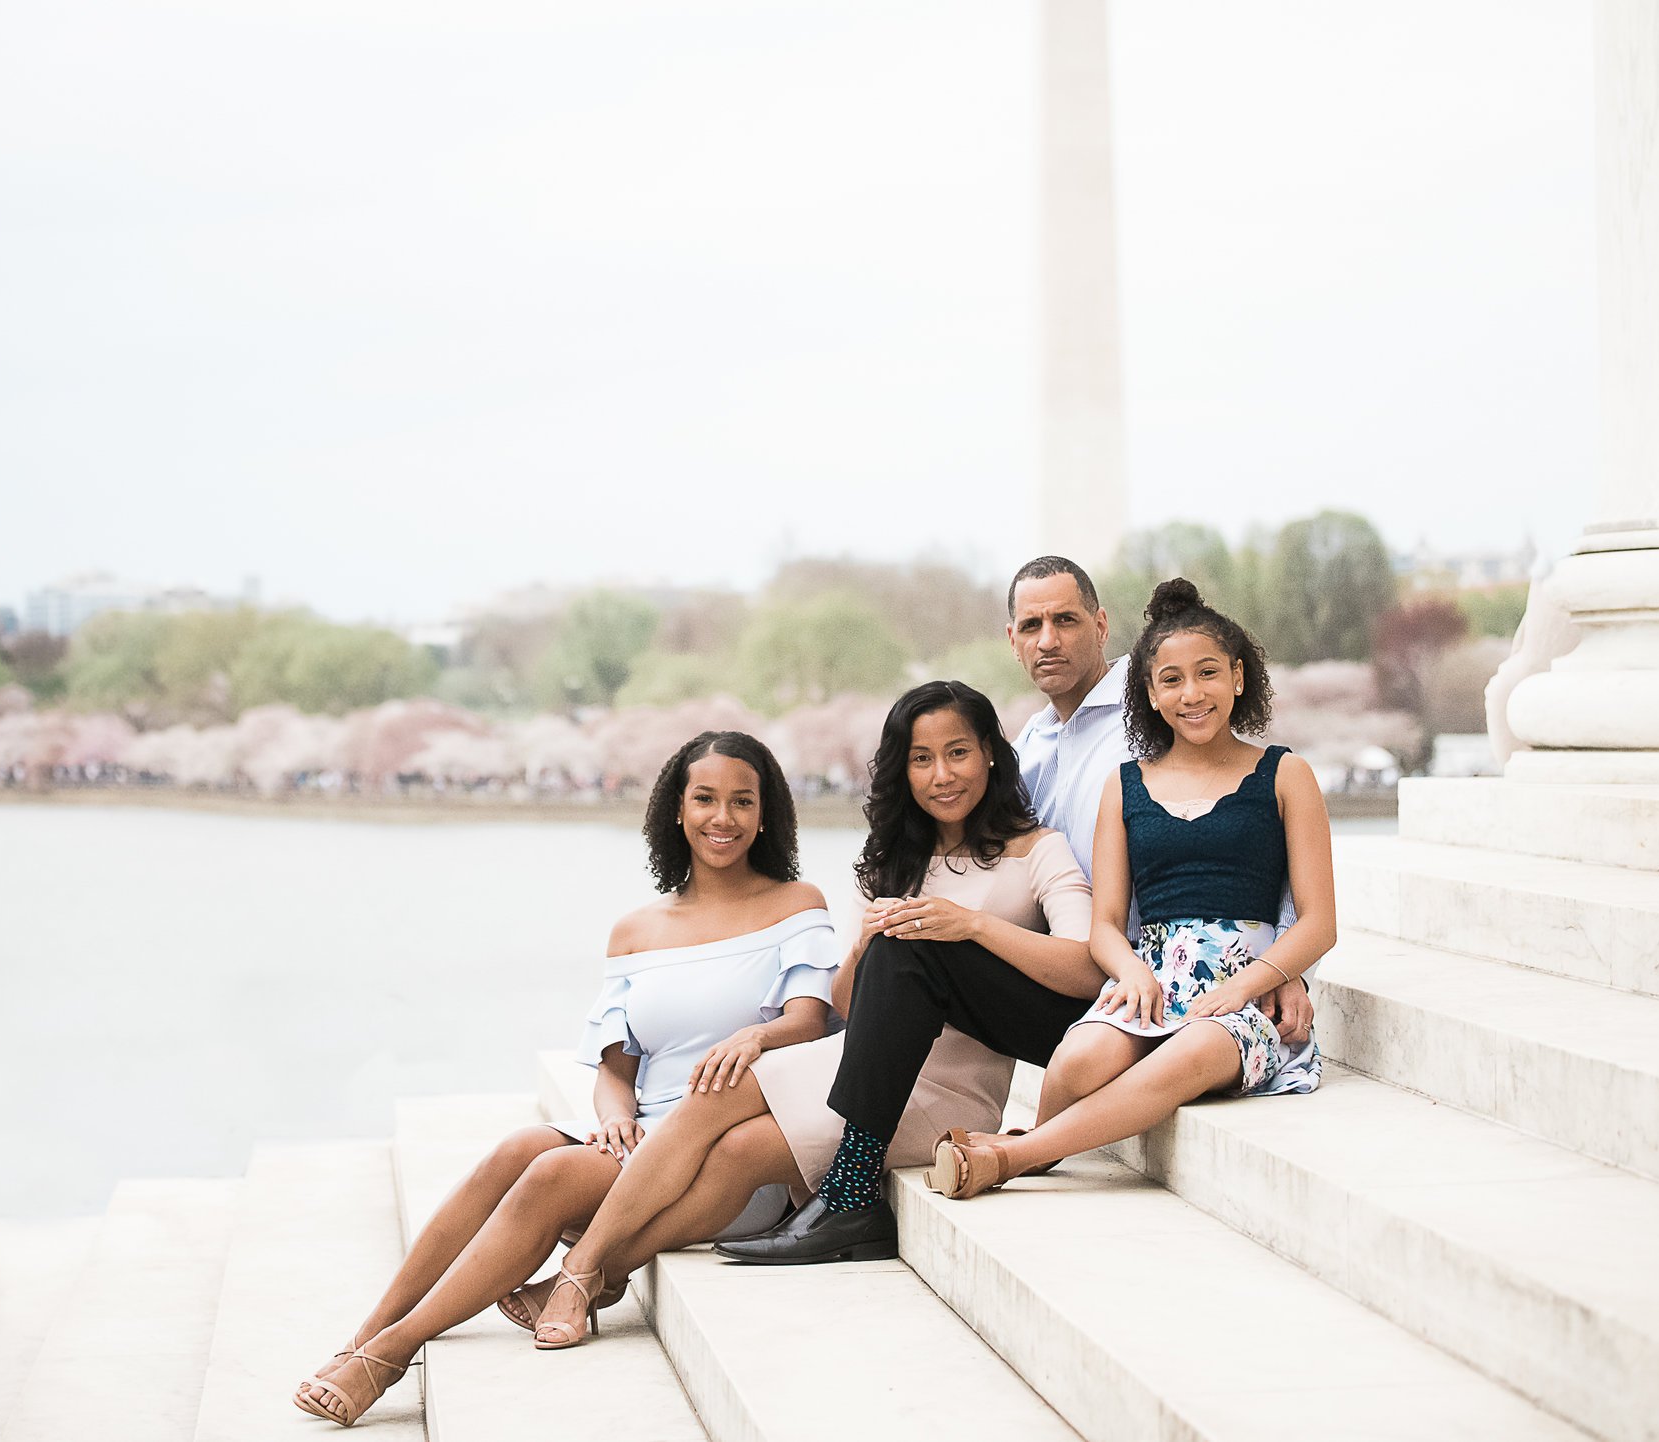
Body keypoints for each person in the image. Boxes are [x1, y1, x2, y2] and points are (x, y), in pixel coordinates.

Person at [708, 556, 1313, 1265]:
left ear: (1101, 624)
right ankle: (845, 1185)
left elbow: (1231, 829)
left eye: (1064, 620)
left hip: (1145, 976)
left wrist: (1278, 965)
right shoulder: (1031, 746)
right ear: (1013, 638)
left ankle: (879, 1176)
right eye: (1032, 625)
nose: (1048, 640)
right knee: (905, 949)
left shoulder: (1146, 721)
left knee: (920, 953)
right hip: (1111, 975)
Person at [525, 681, 1098, 1343]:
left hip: (948, 1089)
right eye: (921, 759)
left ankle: (584, 1272)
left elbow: (1083, 968)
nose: (942, 775)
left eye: (958, 753)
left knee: (746, 1143)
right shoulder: (892, 864)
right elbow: (852, 1007)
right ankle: (593, 1273)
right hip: (863, 1067)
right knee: (724, 1106)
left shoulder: (1038, 851)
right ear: (901, 770)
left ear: (992, 757)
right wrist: (865, 941)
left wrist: (968, 925)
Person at [292, 731, 838, 1424]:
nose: (721, 818)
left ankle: (392, 1353)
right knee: (520, 1148)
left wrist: (755, 1034)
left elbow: (809, 1022)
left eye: (741, 801)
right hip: (639, 1145)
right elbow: (618, 1068)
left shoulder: (796, 904)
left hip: (722, 1165)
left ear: (767, 815)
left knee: (550, 1175)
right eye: (705, 798)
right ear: (677, 808)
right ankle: (364, 1333)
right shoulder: (636, 930)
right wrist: (613, 1115)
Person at [926, 577, 1334, 1196]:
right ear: (1148, 692)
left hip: (1243, 988)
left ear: (1239, 678)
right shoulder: (1127, 783)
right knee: (1077, 1059)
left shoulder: (1286, 774)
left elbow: (1318, 922)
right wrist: (1132, 973)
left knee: (1192, 1053)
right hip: (1151, 973)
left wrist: (1257, 983)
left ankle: (1016, 1158)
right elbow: (1106, 921)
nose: (1192, 694)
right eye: (1171, 680)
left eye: (1208, 674)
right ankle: (1035, 1149)